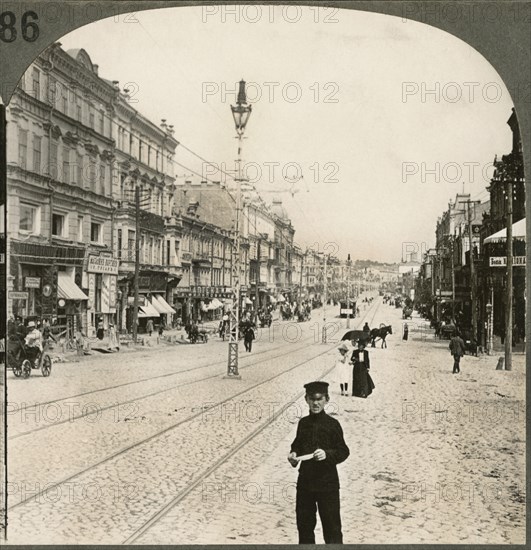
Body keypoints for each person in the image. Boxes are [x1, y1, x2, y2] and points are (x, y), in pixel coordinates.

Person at [288, 381, 350, 544]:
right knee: (305, 527)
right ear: (306, 400)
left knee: (332, 529)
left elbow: (343, 451)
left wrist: (327, 454)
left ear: (327, 399)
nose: (315, 403)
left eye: (319, 399)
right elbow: (298, 445)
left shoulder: (332, 424)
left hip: (327, 484)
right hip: (305, 484)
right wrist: (294, 455)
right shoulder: (303, 424)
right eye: (312, 399)